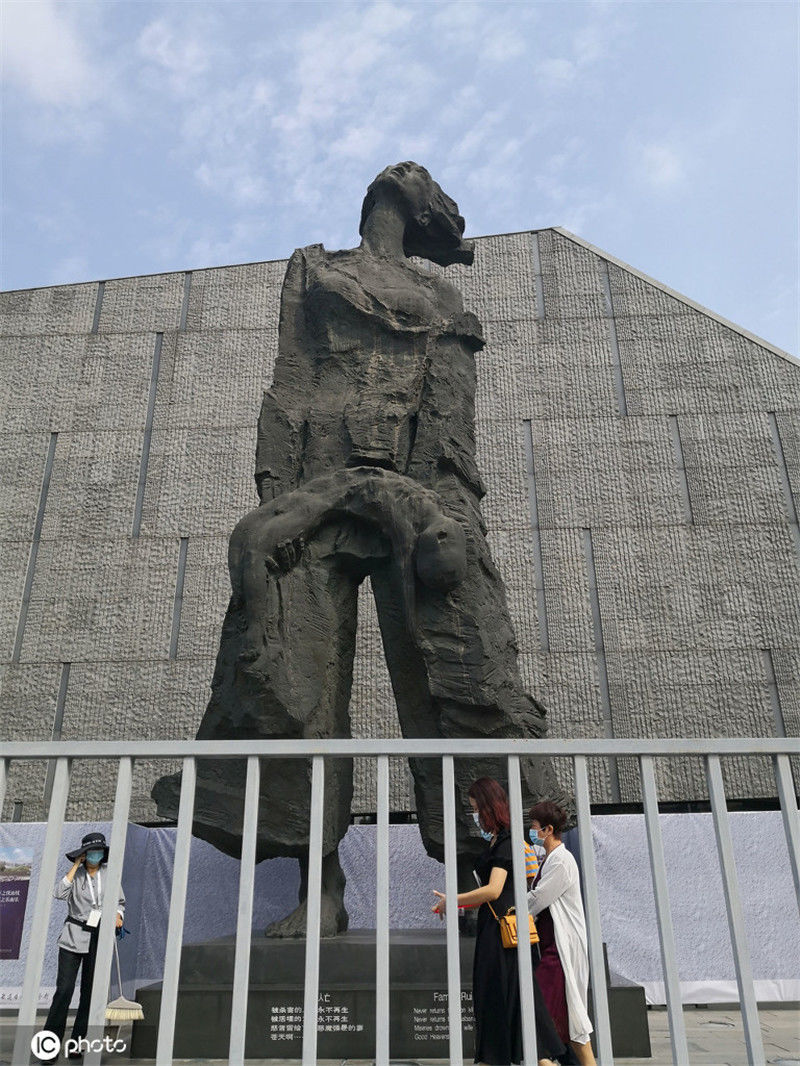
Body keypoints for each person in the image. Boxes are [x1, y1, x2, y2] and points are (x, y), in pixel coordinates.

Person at [152, 161, 572, 936]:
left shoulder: (443, 298)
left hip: (419, 486)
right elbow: (289, 385)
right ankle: (322, 888)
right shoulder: (314, 270)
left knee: (461, 679)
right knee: (295, 685)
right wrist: (275, 497)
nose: (412, 181)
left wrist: (452, 511)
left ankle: (488, 880)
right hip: (316, 489)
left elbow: (450, 410)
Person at [432, 778, 578, 1066]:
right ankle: (522, 1057)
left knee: (502, 999)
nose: (474, 815)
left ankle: (508, 1057)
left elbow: (494, 890)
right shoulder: (499, 841)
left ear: (489, 808)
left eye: (476, 809)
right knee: (513, 1004)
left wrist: (454, 900)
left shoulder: (507, 842)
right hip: (498, 929)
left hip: (503, 934)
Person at [42, 832, 125, 1060]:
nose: (96, 855)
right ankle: (49, 1047)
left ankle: (77, 1044)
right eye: (91, 852)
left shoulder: (110, 874)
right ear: (84, 854)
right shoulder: (76, 875)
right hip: (73, 935)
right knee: (64, 990)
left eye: (99, 851)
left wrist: (118, 915)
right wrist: (75, 865)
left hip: (98, 937)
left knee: (89, 993)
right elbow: (59, 893)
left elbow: (119, 902)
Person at [528, 801, 596, 1066]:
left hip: (560, 948)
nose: (532, 831)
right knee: (567, 1018)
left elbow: (539, 898)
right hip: (550, 945)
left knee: (543, 1011)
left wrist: (510, 907)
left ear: (548, 829)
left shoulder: (561, 861)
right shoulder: (549, 859)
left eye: (534, 827)